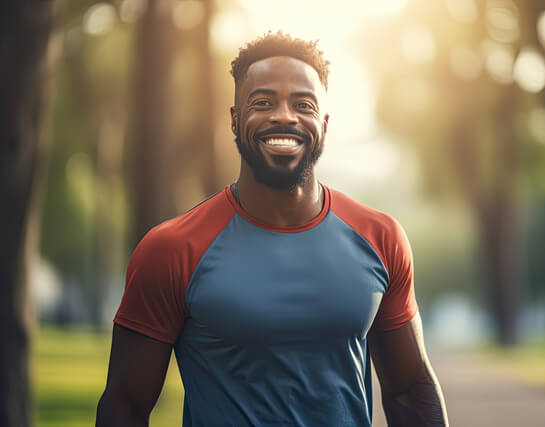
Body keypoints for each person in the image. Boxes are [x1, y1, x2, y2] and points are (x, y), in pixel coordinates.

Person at [96, 32, 448, 427]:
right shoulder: (172, 249)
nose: (284, 116)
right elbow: (125, 405)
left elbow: (409, 390)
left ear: (324, 123)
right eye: (263, 102)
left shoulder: (381, 238)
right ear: (235, 119)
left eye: (303, 104)